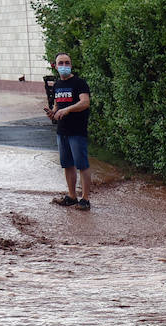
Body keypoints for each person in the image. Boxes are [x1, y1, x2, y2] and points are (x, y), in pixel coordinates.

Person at [44, 53, 92, 210]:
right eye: (61, 63)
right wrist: (53, 112)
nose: (64, 65)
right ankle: (72, 197)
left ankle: (85, 199)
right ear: (55, 66)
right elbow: (58, 105)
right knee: (67, 165)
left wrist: (68, 110)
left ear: (71, 65)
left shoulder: (79, 83)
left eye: (67, 62)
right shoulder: (57, 85)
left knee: (82, 165)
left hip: (77, 131)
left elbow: (85, 102)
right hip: (62, 131)